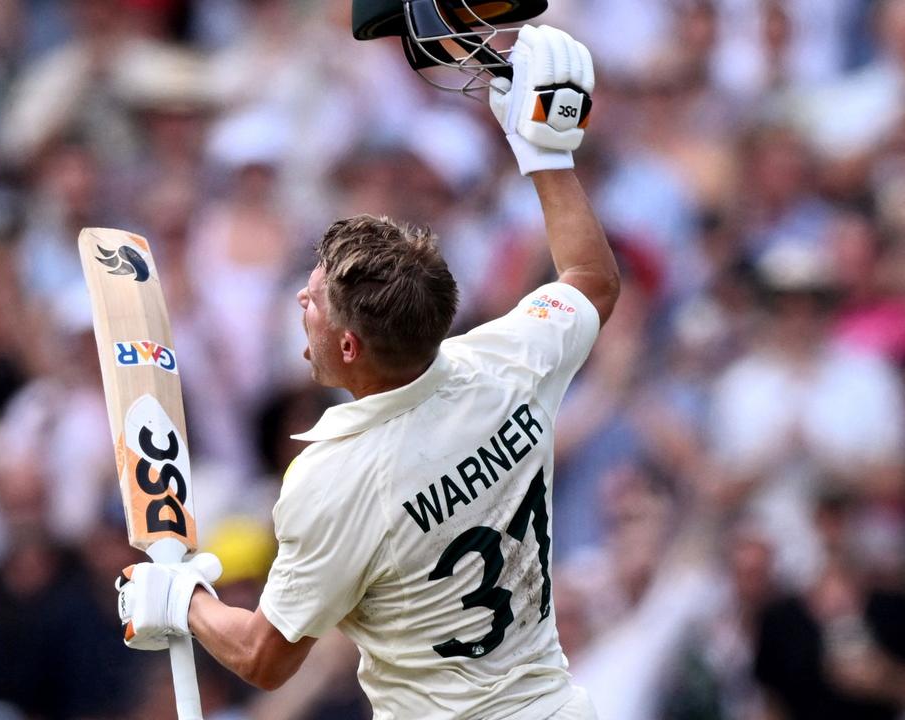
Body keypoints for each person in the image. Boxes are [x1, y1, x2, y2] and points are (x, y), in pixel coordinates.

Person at [115, 25, 618, 719]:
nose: (299, 299)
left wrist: (181, 602)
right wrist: (546, 153)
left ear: (350, 347)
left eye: (316, 301)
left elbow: (265, 657)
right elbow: (591, 280)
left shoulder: (335, 477)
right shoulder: (506, 363)